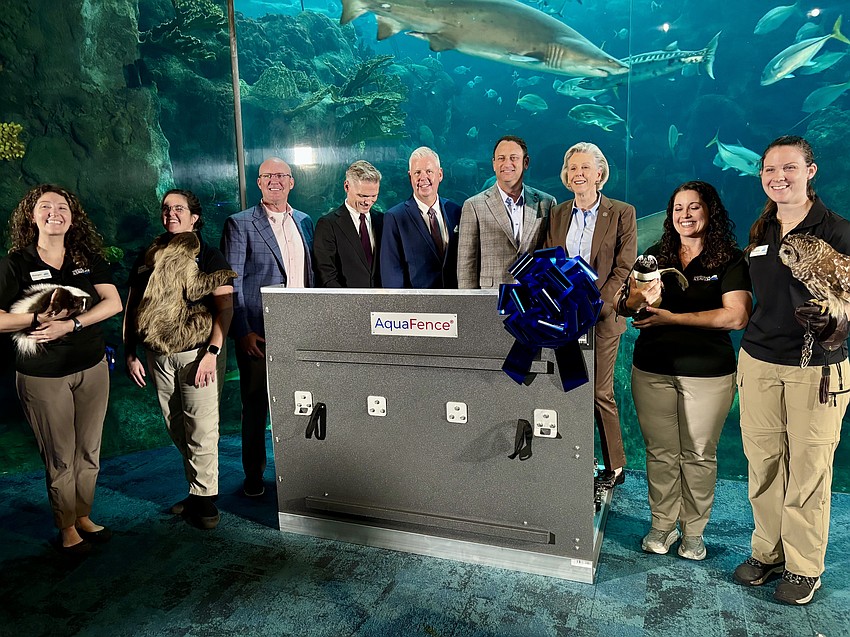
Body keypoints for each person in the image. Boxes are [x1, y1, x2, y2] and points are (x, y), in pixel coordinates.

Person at [733, 135, 850, 605]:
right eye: (769, 170)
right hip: (759, 360)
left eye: (789, 168)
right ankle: (768, 551)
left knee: (808, 469)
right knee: (762, 463)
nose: (778, 177)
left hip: (814, 366)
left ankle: (804, 568)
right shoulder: (762, 231)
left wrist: (836, 320)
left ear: (810, 171)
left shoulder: (838, 232)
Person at [617, 181, 751, 560]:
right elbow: (628, 307)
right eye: (678, 208)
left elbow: (736, 315)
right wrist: (635, 301)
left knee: (697, 454)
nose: (685, 215)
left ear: (710, 212)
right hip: (652, 368)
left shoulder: (729, 258)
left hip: (707, 372)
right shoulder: (655, 254)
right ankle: (662, 524)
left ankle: (693, 532)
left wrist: (672, 318)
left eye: (694, 207)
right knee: (660, 453)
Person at [0, 184, 122, 554]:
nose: (55, 212)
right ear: (31, 216)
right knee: (59, 455)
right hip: (43, 375)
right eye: (45, 206)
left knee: (89, 451)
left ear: (73, 217)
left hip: (91, 365)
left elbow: (113, 302)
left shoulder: (86, 258)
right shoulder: (16, 263)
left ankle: (83, 514)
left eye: (62, 206)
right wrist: (35, 318)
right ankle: (66, 525)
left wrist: (71, 324)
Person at [124, 189, 234, 530]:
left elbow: (225, 308)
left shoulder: (209, 255)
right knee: (177, 428)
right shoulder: (147, 256)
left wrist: (212, 354)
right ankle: (196, 490)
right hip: (157, 355)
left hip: (198, 354)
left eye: (179, 208)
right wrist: (129, 352)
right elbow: (132, 307)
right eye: (167, 208)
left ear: (194, 217)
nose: (172, 213)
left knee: (201, 428)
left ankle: (204, 502)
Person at [544, 142, 636, 489]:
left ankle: (615, 465)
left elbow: (624, 266)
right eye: (572, 168)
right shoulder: (557, 213)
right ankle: (580, 459)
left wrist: (594, 303)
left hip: (602, 316)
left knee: (599, 391)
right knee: (570, 387)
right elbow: (550, 260)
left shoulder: (622, 212)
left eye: (585, 167)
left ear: (600, 173)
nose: (578, 174)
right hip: (564, 317)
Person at [222, 157, 314, 497]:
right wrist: (242, 330)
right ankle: (254, 475)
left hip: (300, 329)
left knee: (302, 402)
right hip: (258, 332)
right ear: (259, 183)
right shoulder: (240, 223)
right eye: (267, 176)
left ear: (292, 182)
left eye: (281, 175)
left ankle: (301, 471)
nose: (274, 180)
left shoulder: (305, 221)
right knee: (256, 403)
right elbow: (232, 282)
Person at [457, 135, 556, 289]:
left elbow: (551, 256)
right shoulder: (473, 206)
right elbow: (466, 265)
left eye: (513, 158)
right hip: (490, 299)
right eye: (501, 158)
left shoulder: (546, 203)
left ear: (526, 162)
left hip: (536, 300)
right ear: (494, 164)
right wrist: (470, 307)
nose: (507, 163)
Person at [381, 147, 462, 288]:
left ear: (440, 174)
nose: (423, 177)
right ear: (410, 177)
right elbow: (391, 274)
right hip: (416, 305)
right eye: (417, 172)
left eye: (429, 171)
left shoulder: (456, 211)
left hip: (455, 301)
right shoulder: (395, 217)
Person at [314, 160, 383, 287]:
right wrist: (346, 304)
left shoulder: (383, 221)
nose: (368, 202)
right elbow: (326, 274)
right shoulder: (328, 225)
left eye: (374, 196)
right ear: (347, 186)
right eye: (362, 195)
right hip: (345, 303)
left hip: (381, 303)